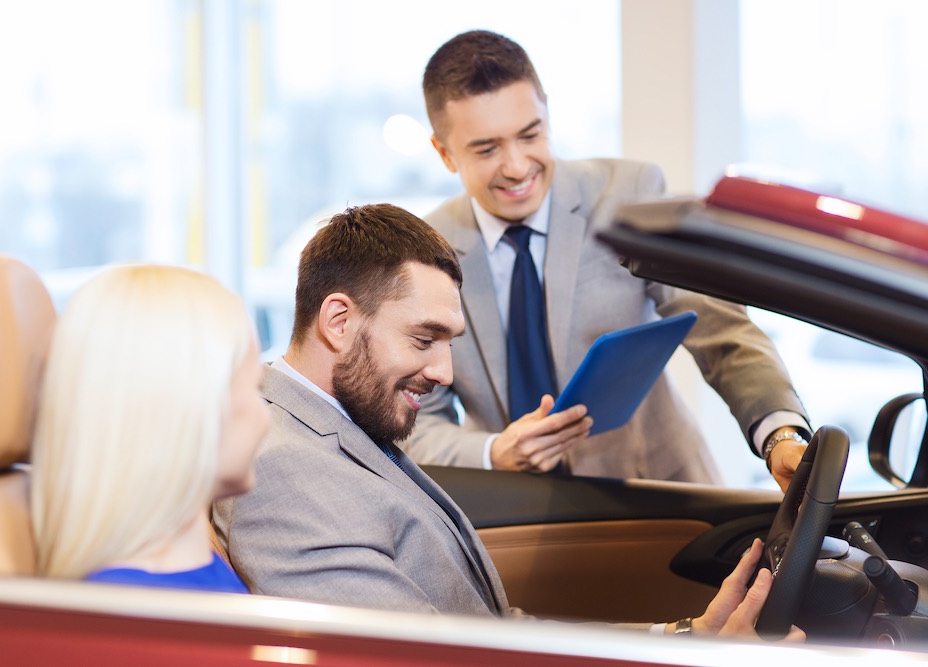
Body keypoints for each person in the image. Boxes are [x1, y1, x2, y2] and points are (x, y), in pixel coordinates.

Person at [214, 202, 803, 640]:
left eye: (451, 344)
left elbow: (488, 631)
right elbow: (428, 664)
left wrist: (681, 643)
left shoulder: (343, 420)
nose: (445, 373)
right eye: (424, 339)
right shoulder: (282, 468)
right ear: (338, 321)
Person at [402, 29, 811, 491]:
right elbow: (418, 422)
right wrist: (493, 452)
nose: (517, 166)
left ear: (547, 115)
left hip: (656, 489)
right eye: (487, 149)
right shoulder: (424, 250)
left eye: (530, 134)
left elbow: (721, 330)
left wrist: (781, 433)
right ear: (444, 153)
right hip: (518, 511)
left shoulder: (628, 195)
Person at [31, 264, 270, 593]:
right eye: (255, 390)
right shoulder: (135, 619)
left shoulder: (187, 572)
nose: (265, 418)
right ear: (190, 410)